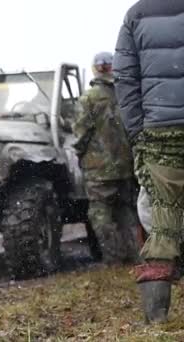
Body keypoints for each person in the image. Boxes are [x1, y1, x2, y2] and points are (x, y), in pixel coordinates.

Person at [114, 0, 184, 324]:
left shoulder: (137, 14)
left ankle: (156, 322)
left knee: (162, 214)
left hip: (159, 129)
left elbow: (125, 80)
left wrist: (139, 132)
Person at [72, 52, 139, 265]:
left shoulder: (88, 98)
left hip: (99, 169)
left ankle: (114, 259)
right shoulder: (126, 95)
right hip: (126, 166)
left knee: (100, 214)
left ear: (95, 69)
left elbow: (81, 133)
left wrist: (79, 153)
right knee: (126, 211)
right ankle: (137, 256)